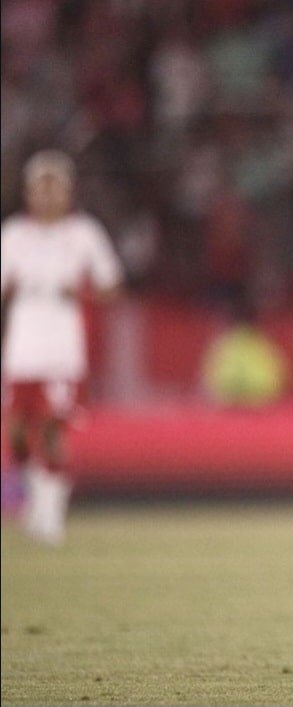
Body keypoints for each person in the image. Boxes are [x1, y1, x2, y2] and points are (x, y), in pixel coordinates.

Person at [1, 150, 124, 545]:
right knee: (18, 433)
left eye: (55, 187)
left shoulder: (84, 233)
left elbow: (112, 284)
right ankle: (34, 498)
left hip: (61, 345)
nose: (48, 195)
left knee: (53, 427)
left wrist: (84, 292)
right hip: (22, 345)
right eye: (41, 187)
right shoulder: (13, 235)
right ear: (28, 192)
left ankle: (51, 516)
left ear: (68, 191)